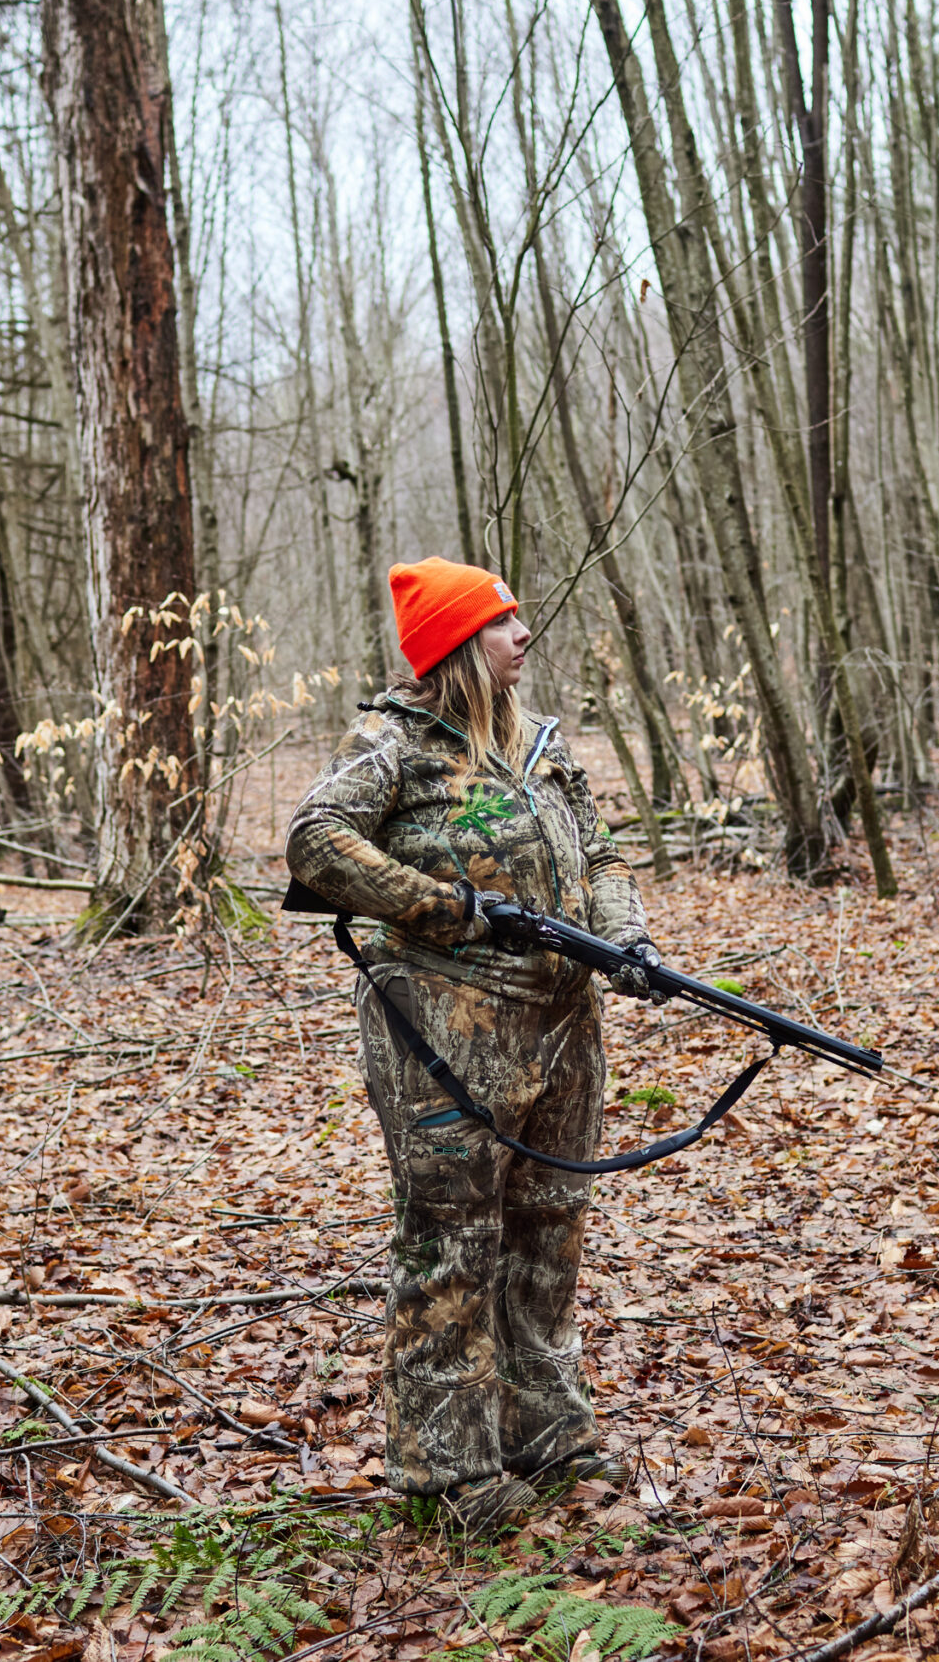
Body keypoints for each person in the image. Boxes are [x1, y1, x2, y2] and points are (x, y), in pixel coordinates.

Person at [285, 558, 660, 1532]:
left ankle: (549, 1440)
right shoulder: (395, 742)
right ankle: (449, 1475)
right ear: (456, 646)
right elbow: (316, 840)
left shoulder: (540, 743)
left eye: (518, 619)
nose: (522, 635)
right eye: (501, 624)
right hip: (445, 1028)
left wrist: (626, 940)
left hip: (564, 1022)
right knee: (451, 1240)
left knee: (548, 1229)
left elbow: (602, 850)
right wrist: (438, 908)